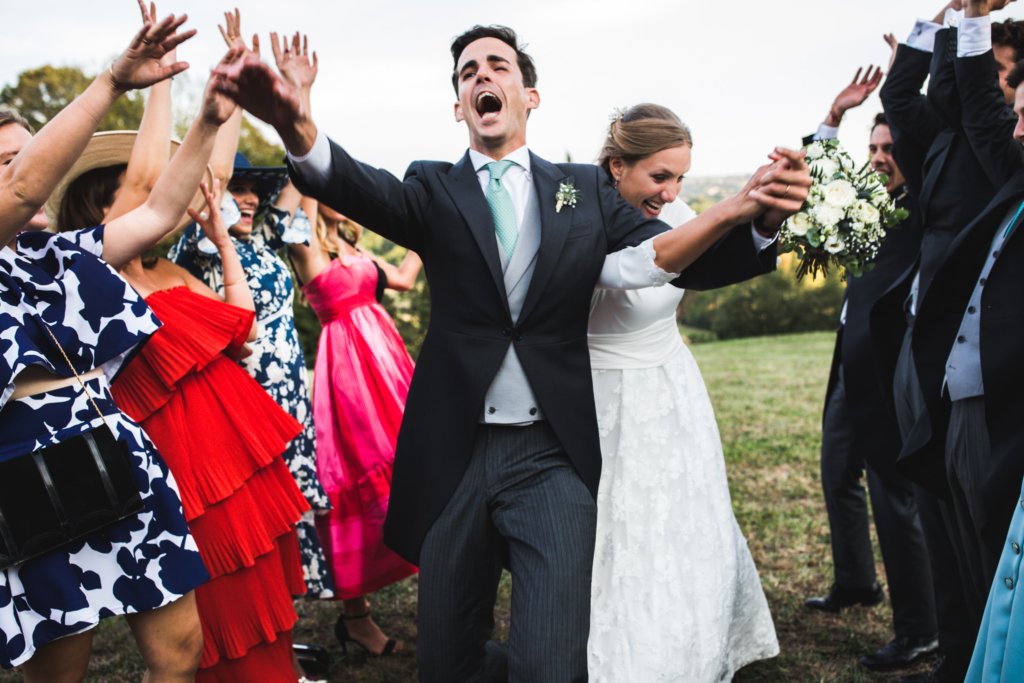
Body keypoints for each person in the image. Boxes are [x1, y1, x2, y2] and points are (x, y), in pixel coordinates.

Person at [213, 25, 811, 680]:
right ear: (459, 105)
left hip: (550, 455)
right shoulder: (433, 187)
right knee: (448, 662)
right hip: (456, 453)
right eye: (468, 71)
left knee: (551, 663)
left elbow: (656, 258)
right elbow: (358, 186)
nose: (482, 76)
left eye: (498, 66)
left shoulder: (582, 188)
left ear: (529, 95)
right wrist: (296, 124)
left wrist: (753, 215)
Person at [0, 12, 211, 681]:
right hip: (26, 474)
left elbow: (157, 212)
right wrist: (113, 81)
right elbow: (24, 189)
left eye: (32, 150)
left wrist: (209, 119)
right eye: (8, 159)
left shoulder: (58, 253)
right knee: (61, 672)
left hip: (114, 448)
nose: (33, 167)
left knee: (180, 653)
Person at [585, 103, 779, 681]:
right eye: (660, 176)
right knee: (621, 536)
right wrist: (732, 207)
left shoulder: (678, 213)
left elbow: (721, 259)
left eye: (681, 178)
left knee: (684, 525)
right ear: (617, 166)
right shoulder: (581, 220)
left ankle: (693, 641)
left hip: (672, 388)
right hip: (603, 397)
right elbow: (634, 268)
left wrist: (764, 220)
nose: (671, 194)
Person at [168, 14, 333, 605]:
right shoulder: (199, 245)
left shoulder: (265, 240)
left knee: (293, 514)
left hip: (289, 392)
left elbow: (308, 176)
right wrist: (235, 87)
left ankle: (282, 624)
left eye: (249, 191)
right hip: (243, 397)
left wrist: (300, 101)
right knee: (256, 519)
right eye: (233, 189)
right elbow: (213, 177)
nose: (241, 198)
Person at [800, 66, 938, 673]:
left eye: (891, 148)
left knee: (894, 499)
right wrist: (833, 119)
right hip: (847, 362)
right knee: (837, 473)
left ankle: (921, 631)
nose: (880, 158)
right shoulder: (869, 199)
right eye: (874, 148)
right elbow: (821, 184)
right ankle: (857, 581)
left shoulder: (925, 204)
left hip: (889, 371)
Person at [907, 2, 1024, 673]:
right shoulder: (1014, 175)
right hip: (960, 394)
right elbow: (979, 107)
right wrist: (967, 19)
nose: (1016, 127)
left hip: (1005, 409)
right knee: (974, 561)